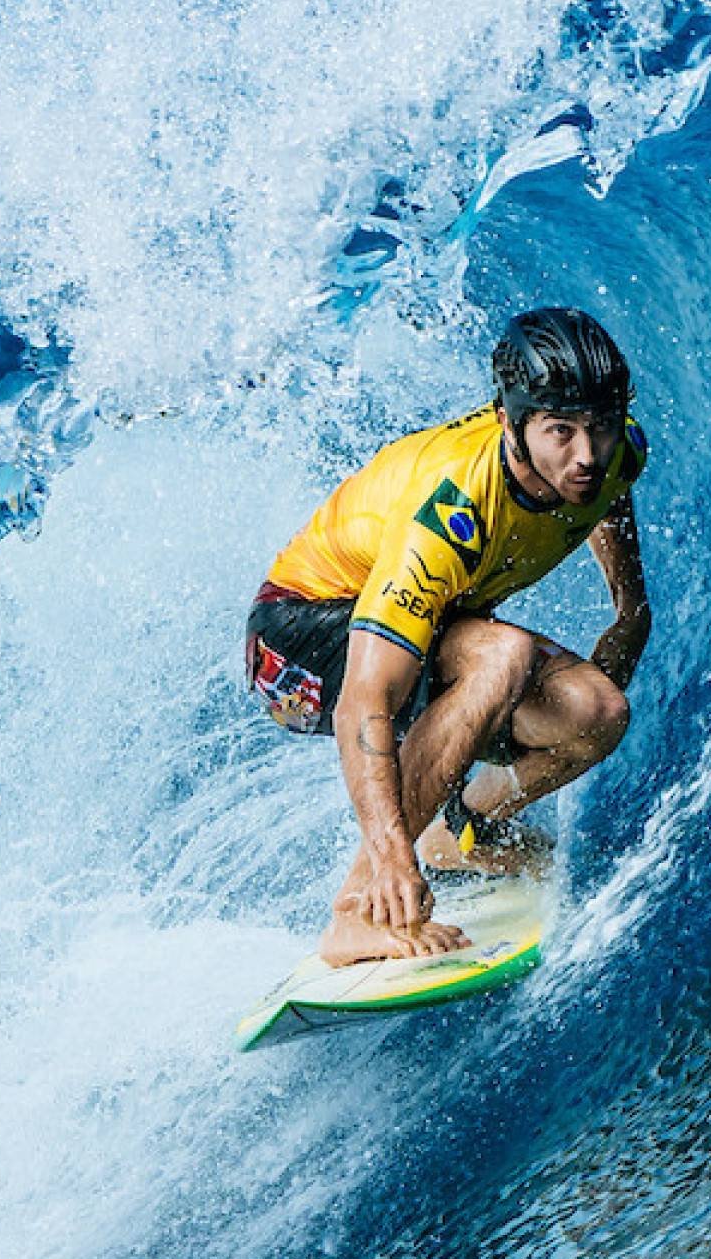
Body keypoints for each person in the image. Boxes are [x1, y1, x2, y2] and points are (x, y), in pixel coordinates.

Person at [242, 306, 652, 964]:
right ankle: (357, 912)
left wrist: (630, 607)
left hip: (428, 626)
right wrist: (390, 860)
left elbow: (609, 487)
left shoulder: (614, 451)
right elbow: (363, 703)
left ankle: (464, 832)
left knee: (596, 711)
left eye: (599, 428)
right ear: (508, 422)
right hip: (297, 642)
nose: (585, 456)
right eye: (559, 432)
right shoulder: (452, 509)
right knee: (502, 655)